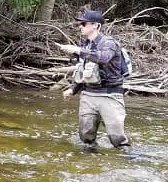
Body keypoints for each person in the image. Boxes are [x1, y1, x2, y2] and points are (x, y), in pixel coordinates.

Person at [56, 10, 132, 154]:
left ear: (96, 25)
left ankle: (129, 160)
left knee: (118, 139)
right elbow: (85, 71)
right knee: (86, 137)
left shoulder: (109, 43)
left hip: (110, 96)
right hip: (88, 95)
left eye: (83, 23)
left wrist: (77, 50)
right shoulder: (85, 44)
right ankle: (88, 162)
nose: (80, 26)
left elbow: (103, 58)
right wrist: (73, 89)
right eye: (80, 23)